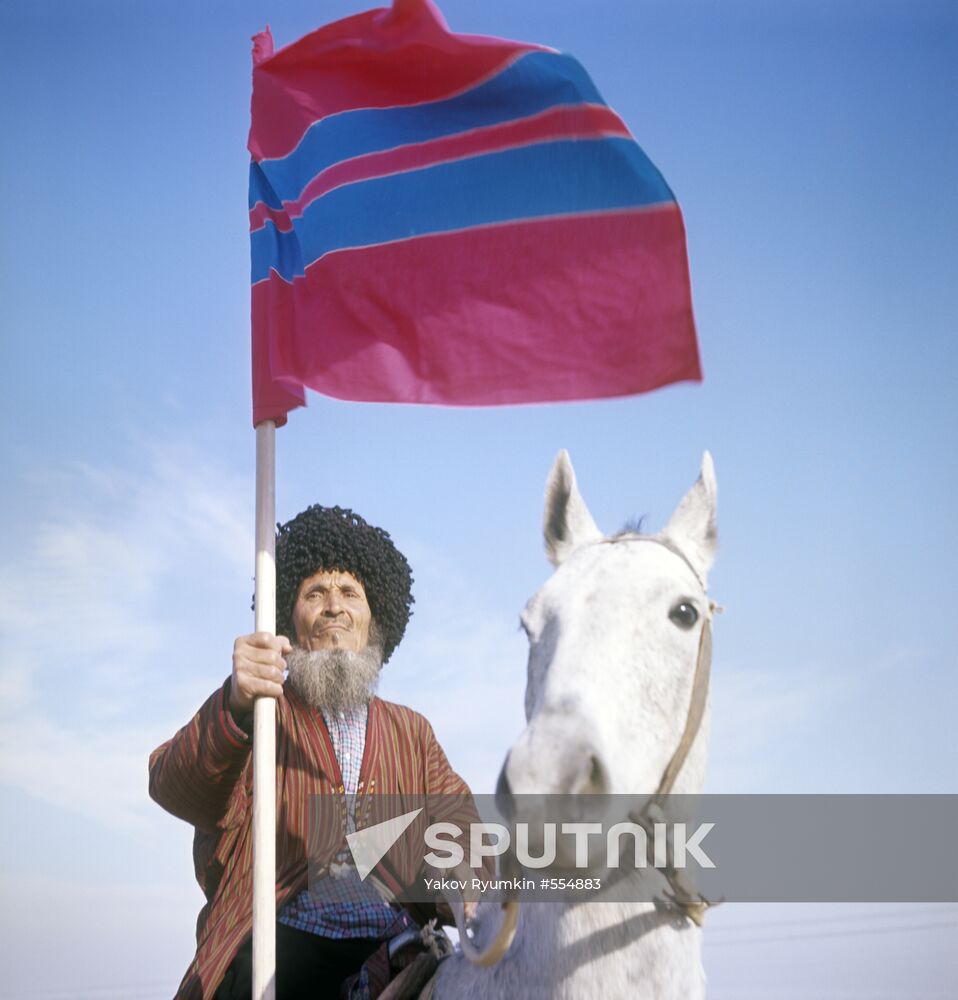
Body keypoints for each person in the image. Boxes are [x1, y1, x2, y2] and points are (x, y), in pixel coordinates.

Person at [150, 505, 478, 1000]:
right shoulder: (259, 715)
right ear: (290, 618)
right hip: (276, 946)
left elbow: (460, 831)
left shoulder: (413, 733)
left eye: (350, 592)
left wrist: (467, 884)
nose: (334, 607)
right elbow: (174, 785)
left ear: (374, 618)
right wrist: (235, 702)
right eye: (315, 593)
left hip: (392, 944)